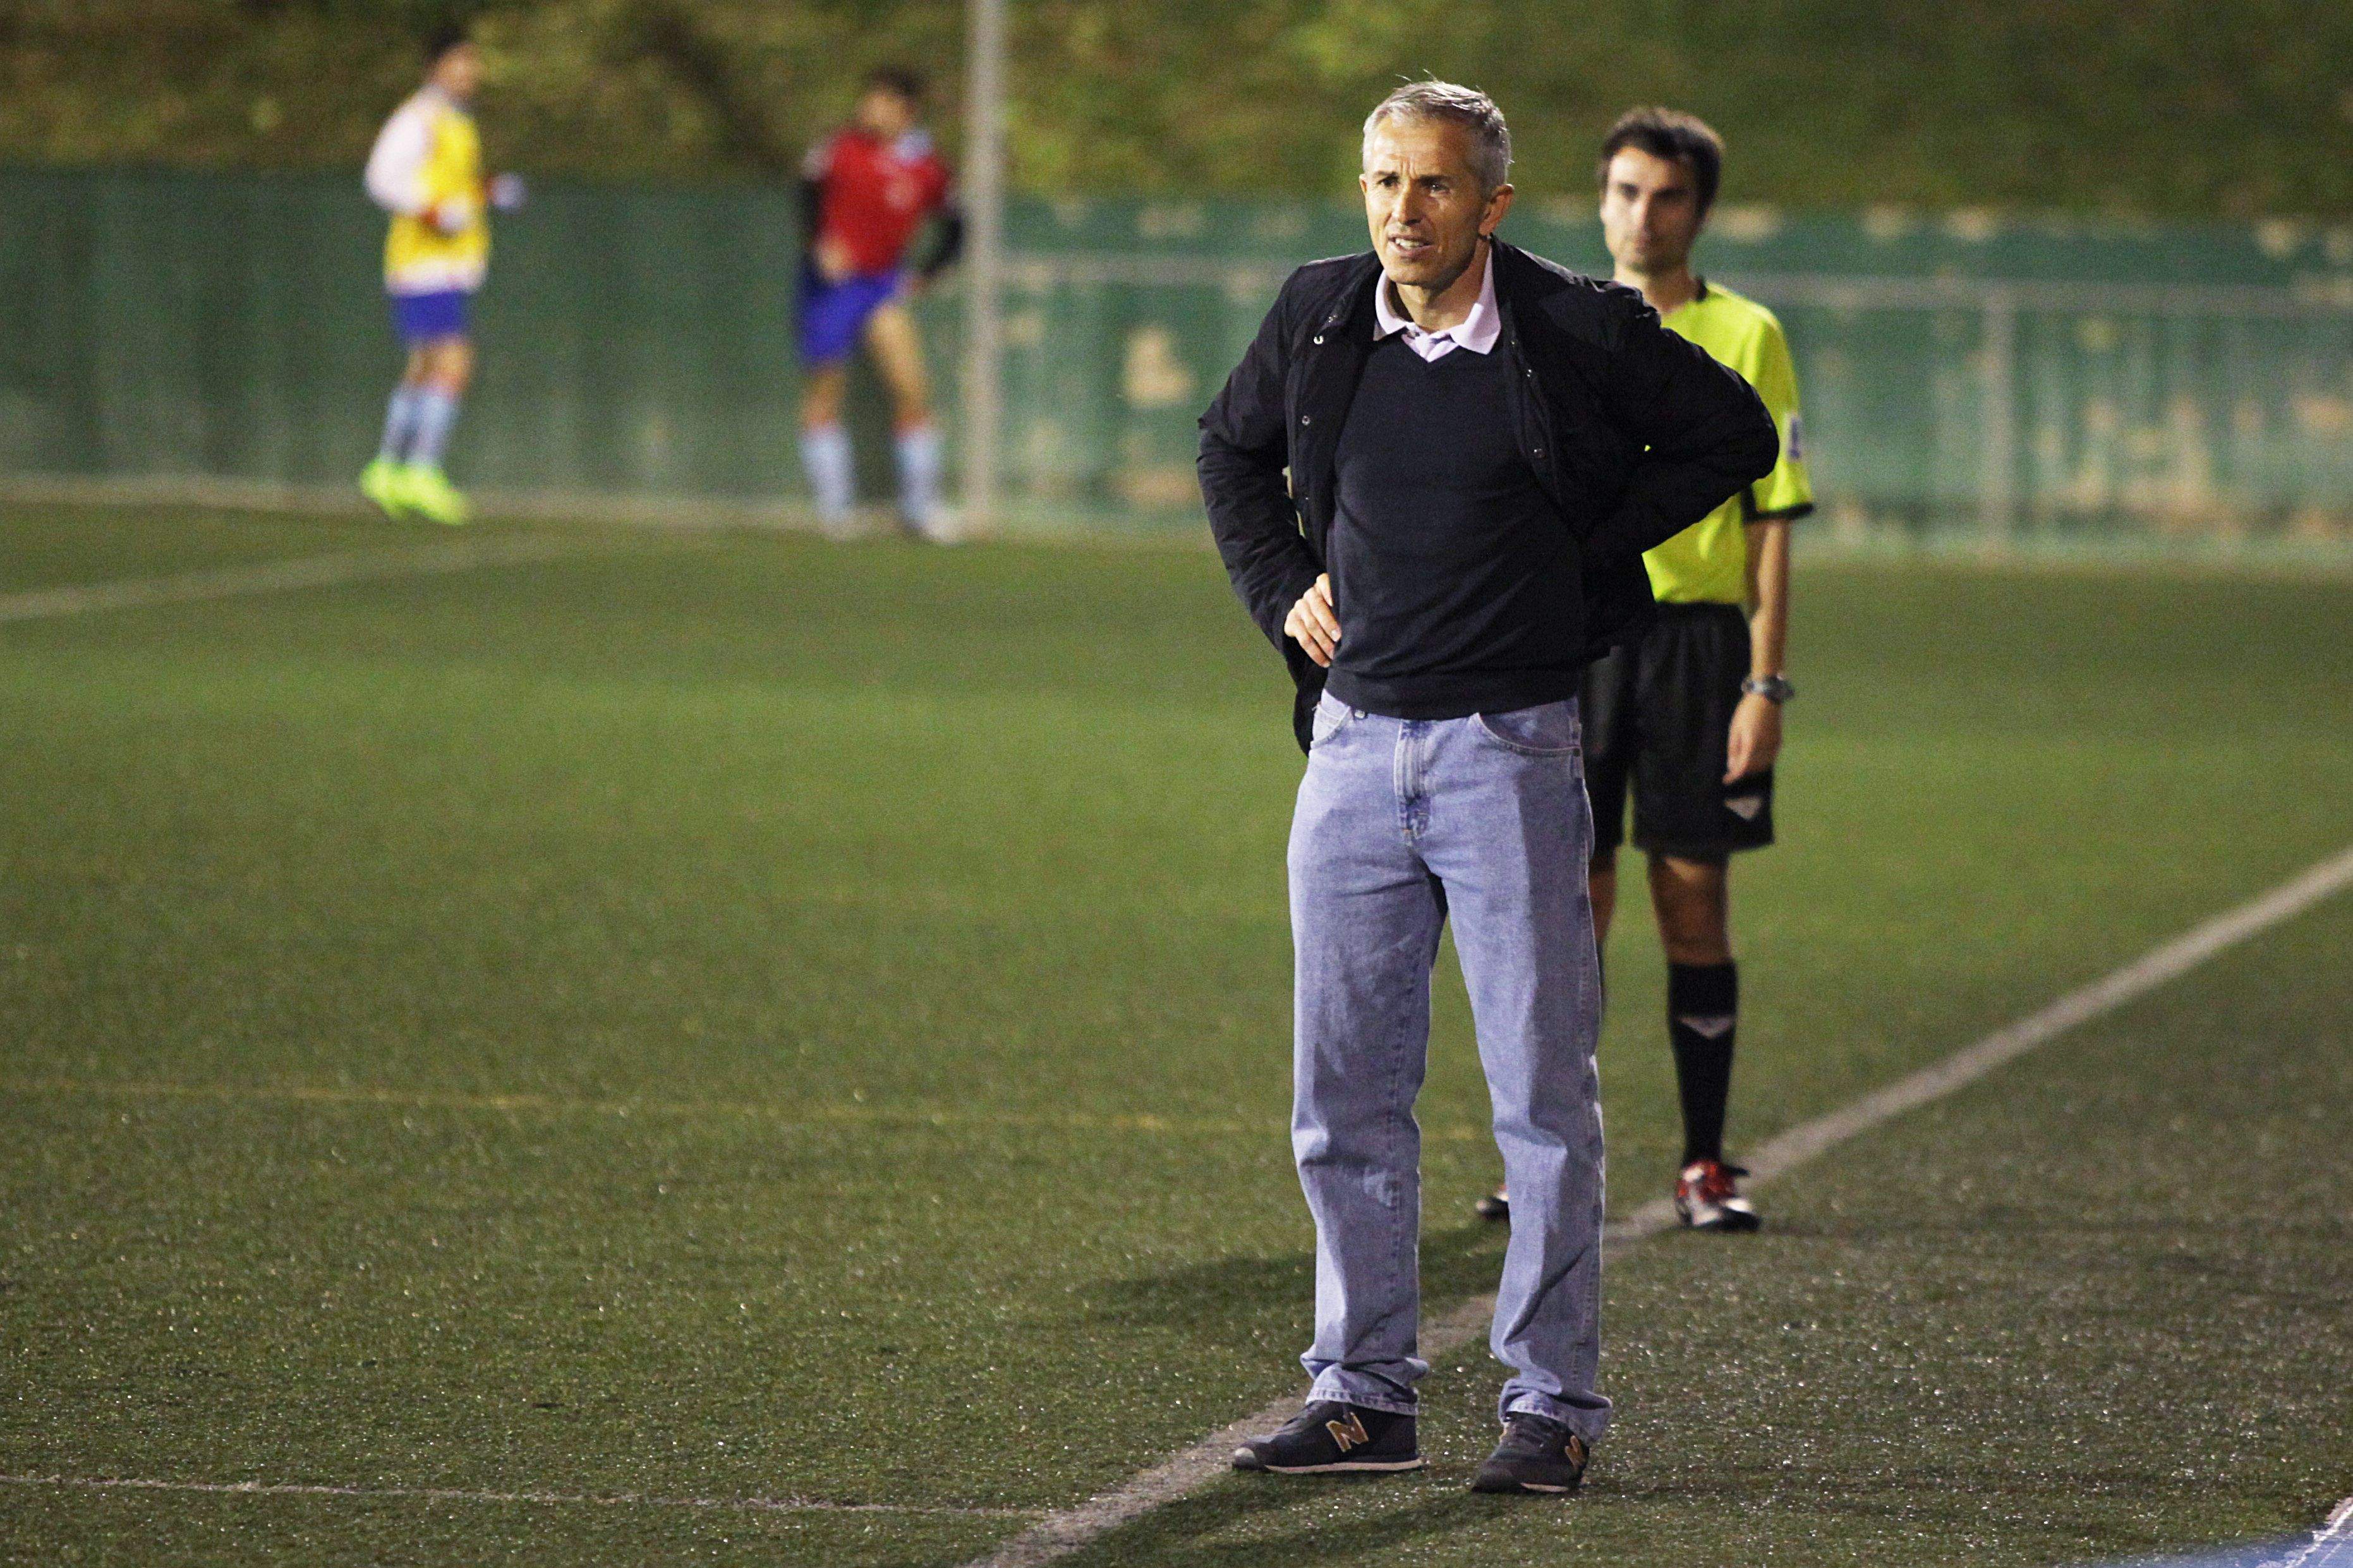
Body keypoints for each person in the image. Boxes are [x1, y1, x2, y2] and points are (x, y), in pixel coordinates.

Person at [1201, 81, 1777, 1495]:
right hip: (1348, 751)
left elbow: (1734, 437)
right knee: (1340, 1099)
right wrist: (1280, 587)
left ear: (1492, 203)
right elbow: (1229, 448)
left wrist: (1583, 542)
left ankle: (1551, 1404)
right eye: (1382, 181)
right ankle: (1361, 1396)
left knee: (1538, 1102)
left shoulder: (1575, 326)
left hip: (1509, 751)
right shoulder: (1319, 313)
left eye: (1433, 185)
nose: (1402, 211)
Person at [1474, 109, 1813, 1234]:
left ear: (1697, 211)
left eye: (1666, 197)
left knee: (1691, 898)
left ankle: (1704, 1162)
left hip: (1696, 652)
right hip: (1574, 639)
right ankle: (1543, 1159)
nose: (1642, 215)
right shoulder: (1558, 322)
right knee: (1566, 905)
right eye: (1625, 192)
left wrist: (1764, 685)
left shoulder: (1747, 332)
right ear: (1600, 199)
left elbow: (1771, 522)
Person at [359, 25, 523, 526]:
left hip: (446, 264)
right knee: (454, 362)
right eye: (459, 60)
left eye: (473, 61)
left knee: (424, 367)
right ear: (436, 67)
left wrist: (488, 191)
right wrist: (430, 212)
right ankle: (422, 470)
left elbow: (450, 185)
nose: (470, 71)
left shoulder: (456, 120)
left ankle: (387, 469)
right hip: (423, 262)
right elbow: (382, 178)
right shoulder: (420, 117)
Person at [796, 67, 965, 540]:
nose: (868, 107)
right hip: (831, 287)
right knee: (825, 391)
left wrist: (928, 273)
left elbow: (957, 225)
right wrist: (819, 243)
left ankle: (921, 511)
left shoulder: (927, 166)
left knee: (912, 388)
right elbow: (806, 196)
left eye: (880, 100)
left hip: (881, 284)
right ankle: (835, 512)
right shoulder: (839, 149)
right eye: (868, 98)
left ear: (905, 111)